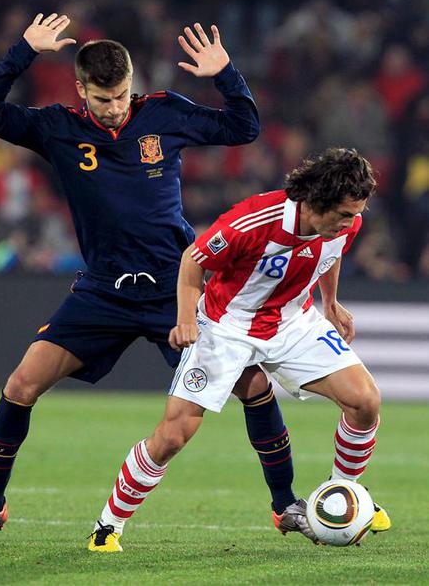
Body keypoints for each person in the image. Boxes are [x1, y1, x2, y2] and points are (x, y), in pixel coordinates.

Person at [0, 13, 302, 550]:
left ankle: (286, 506)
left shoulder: (163, 113)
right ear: (80, 89)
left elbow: (243, 128)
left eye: (119, 96)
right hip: (102, 291)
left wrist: (225, 74)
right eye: (101, 99)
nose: (113, 108)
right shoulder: (57, 127)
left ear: (131, 84)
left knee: (253, 385)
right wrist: (23, 51)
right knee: (20, 386)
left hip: (174, 288)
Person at [88, 147, 392, 552]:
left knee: (365, 401)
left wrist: (331, 302)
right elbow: (193, 260)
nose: (351, 223)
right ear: (317, 202)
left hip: (291, 320)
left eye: (355, 214)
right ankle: (108, 525)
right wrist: (186, 318)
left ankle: (341, 495)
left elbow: (329, 252)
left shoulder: (342, 224)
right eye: (344, 214)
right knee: (174, 435)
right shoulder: (255, 220)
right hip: (226, 327)